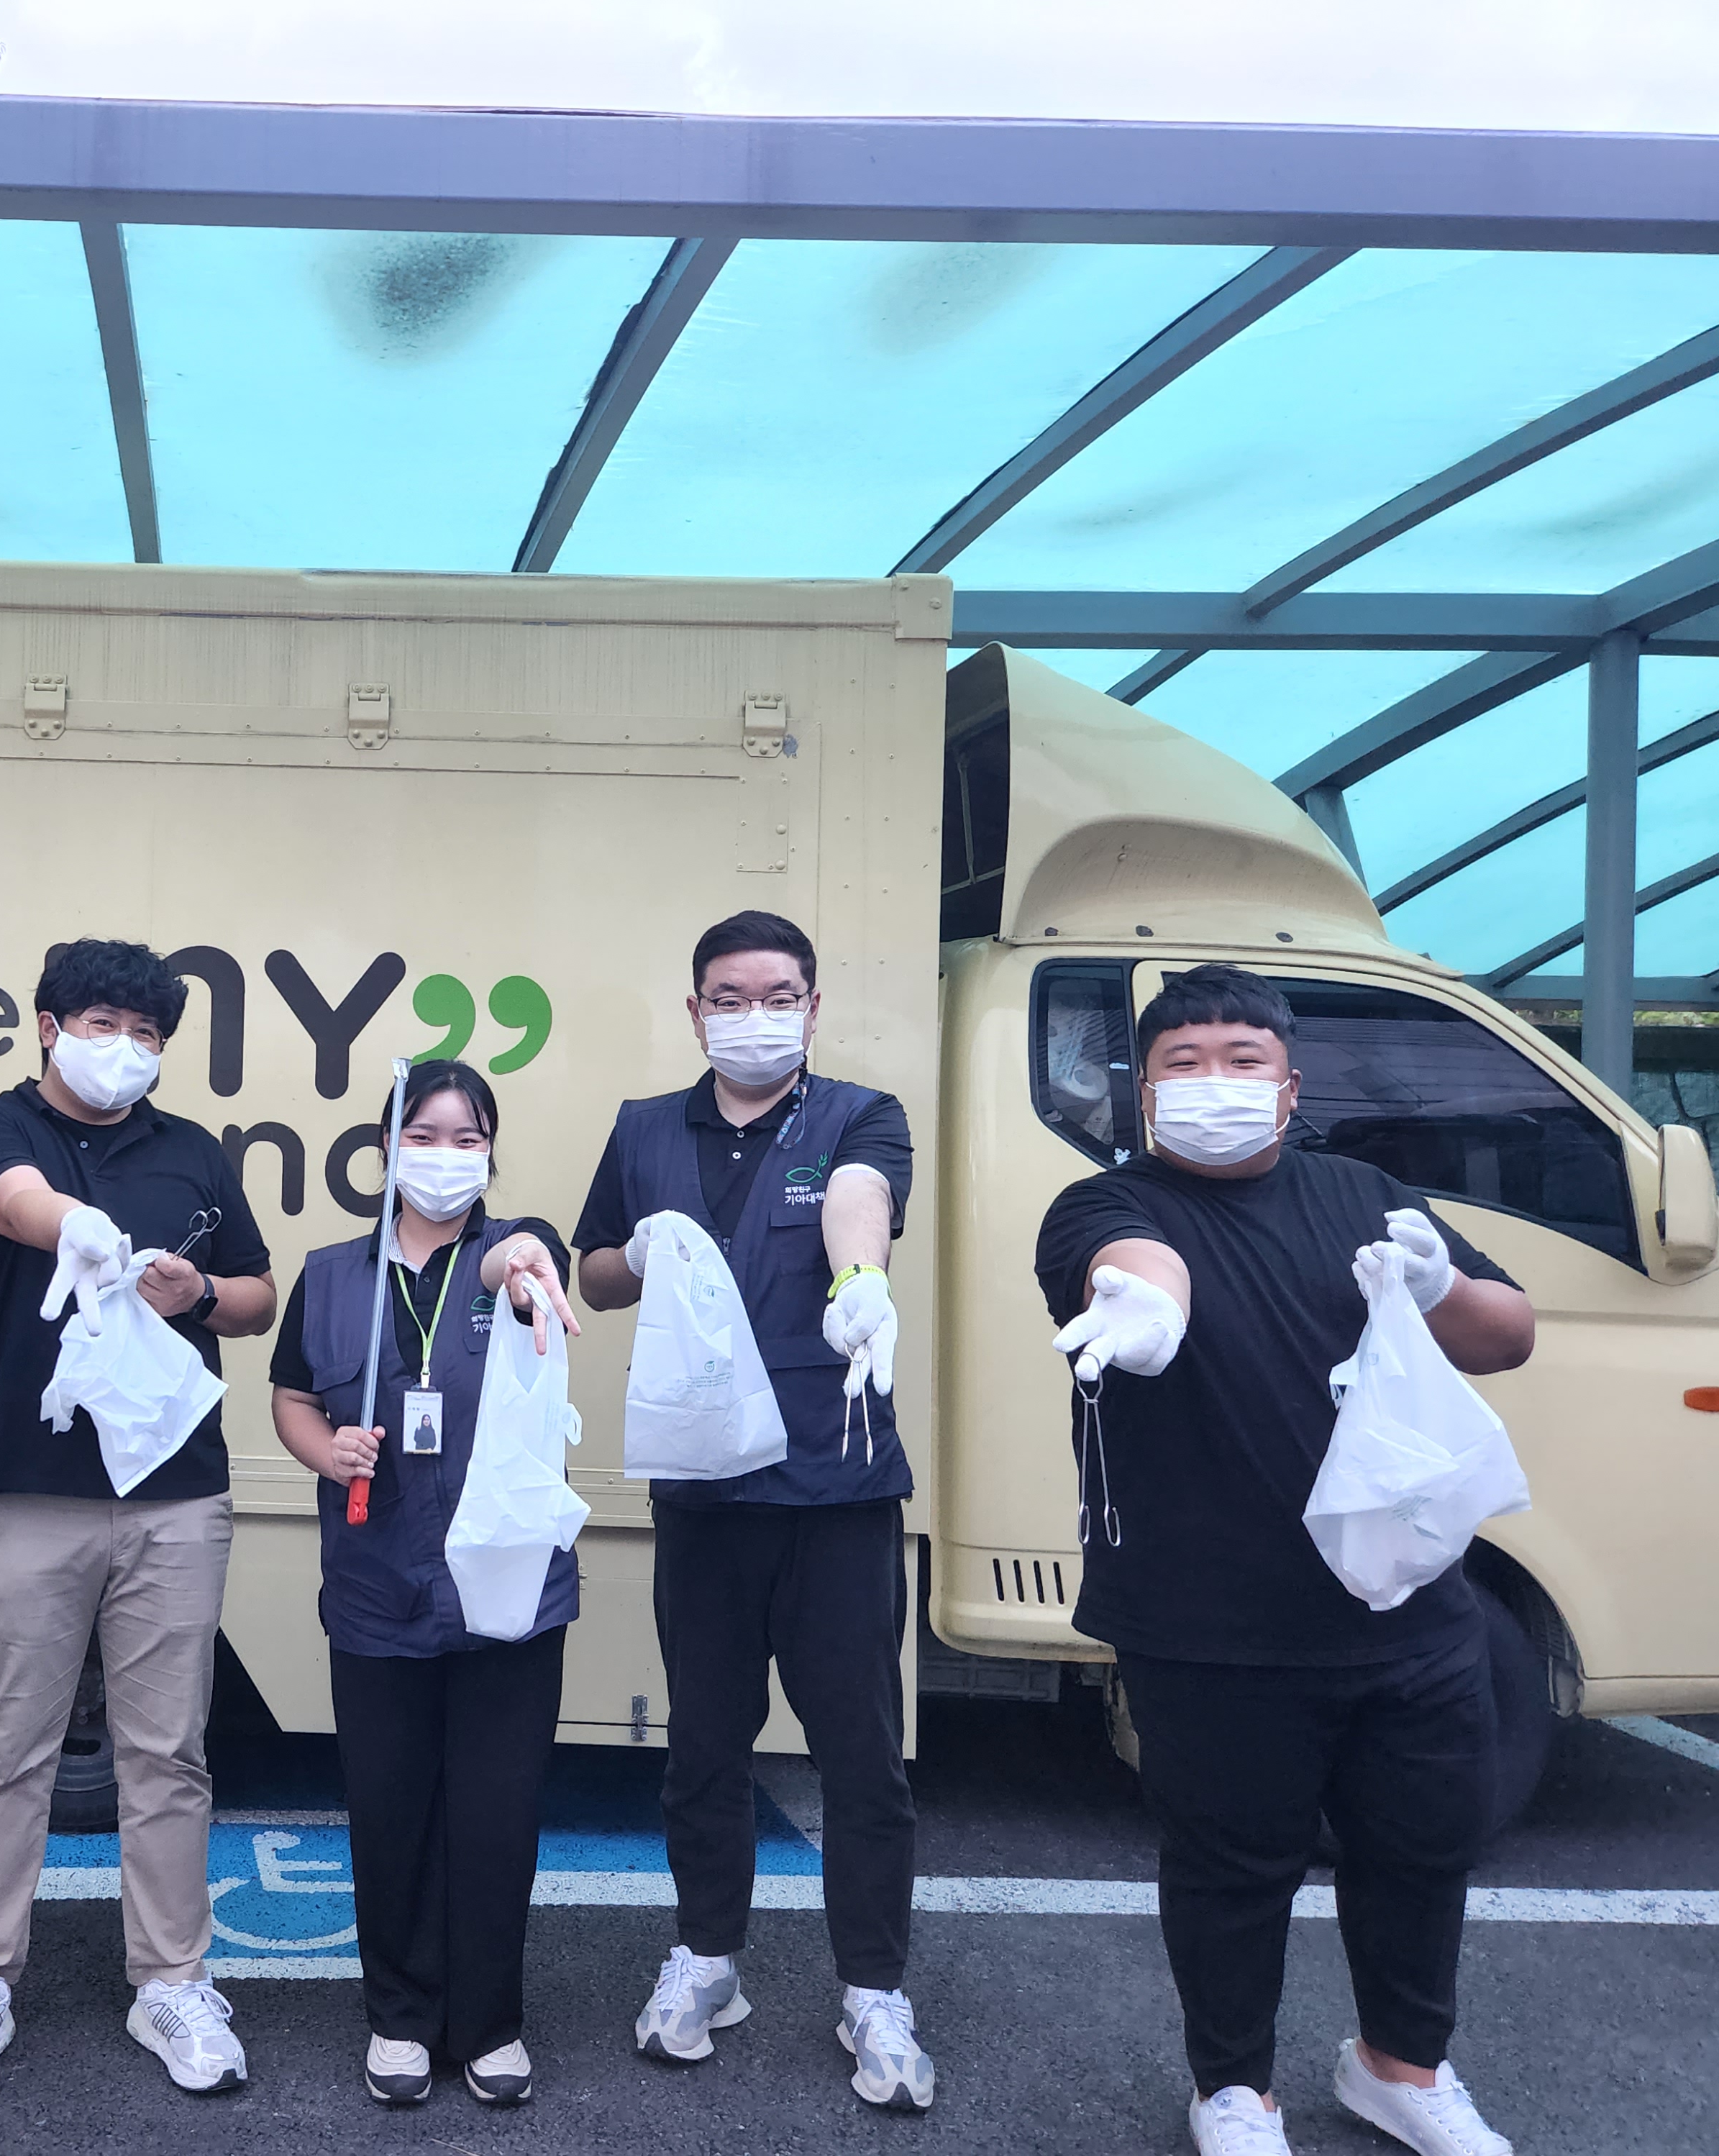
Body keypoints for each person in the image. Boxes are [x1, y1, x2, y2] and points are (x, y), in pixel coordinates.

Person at [1036, 963, 1535, 2156]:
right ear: (1145, 1094)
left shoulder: (1365, 1194)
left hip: (1408, 1605)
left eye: (1241, 1060)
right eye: (1183, 1063)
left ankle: (1398, 2068)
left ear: (1289, 1085)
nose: (1213, 1081)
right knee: (1229, 1869)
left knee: (1421, 1851)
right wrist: (1146, 1308)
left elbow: (1509, 1336)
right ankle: (1233, 2090)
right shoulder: (1105, 1205)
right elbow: (1129, 1263)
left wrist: (1440, 1283)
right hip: (1206, 1622)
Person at [573, 908, 934, 2111]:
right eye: (728, 999)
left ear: (814, 1008)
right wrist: (643, 1253)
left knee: (862, 1757)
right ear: (695, 1012)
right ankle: (707, 1958)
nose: (753, 1017)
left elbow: (859, 1200)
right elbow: (594, 1272)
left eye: (778, 997)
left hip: (835, 1492)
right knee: (705, 1747)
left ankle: (873, 1989)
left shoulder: (860, 1116)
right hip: (704, 1495)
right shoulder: (644, 1129)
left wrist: (862, 1278)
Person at [0, 938, 276, 2102]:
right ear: (49, 1026)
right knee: (7, 1752)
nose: (124, 1048)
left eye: (146, 1033)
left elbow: (257, 1295)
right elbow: (9, 1202)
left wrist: (202, 1294)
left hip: (178, 1500)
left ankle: (172, 1981)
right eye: (103, 1024)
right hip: (31, 1496)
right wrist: (74, 1220)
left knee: (167, 1754)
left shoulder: (194, 1151)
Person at [268, 1060, 582, 2109]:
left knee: (496, 1813)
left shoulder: (518, 1251)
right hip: (376, 1586)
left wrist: (520, 1264)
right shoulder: (330, 1275)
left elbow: (527, 1261)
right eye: (425, 1134)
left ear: (491, 1154)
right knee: (390, 1809)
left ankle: (489, 2024)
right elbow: (290, 1397)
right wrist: (325, 1451)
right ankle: (400, 2016)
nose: (446, 1156)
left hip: (507, 1592)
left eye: (468, 1138)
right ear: (386, 1147)